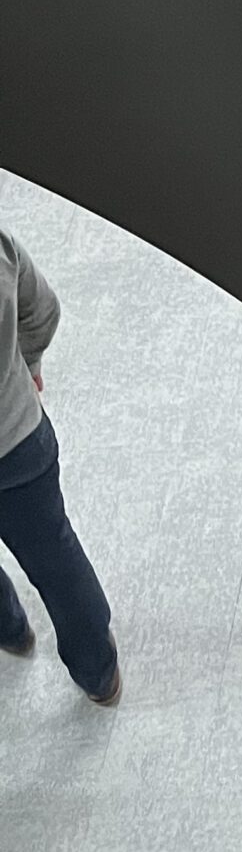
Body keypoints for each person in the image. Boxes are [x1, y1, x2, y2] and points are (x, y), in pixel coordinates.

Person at [0, 228, 118, 704]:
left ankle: (10, 630)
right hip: (18, 444)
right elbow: (42, 308)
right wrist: (26, 363)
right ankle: (98, 674)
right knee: (56, 558)